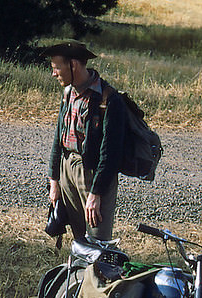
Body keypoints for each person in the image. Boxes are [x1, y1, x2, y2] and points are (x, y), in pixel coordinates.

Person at [42, 41, 126, 243]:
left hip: (93, 174)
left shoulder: (108, 99)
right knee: (79, 240)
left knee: (98, 243)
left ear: (74, 65)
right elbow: (58, 138)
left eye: (57, 68)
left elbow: (110, 153)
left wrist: (96, 193)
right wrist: (54, 180)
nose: (54, 74)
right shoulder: (67, 94)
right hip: (67, 169)